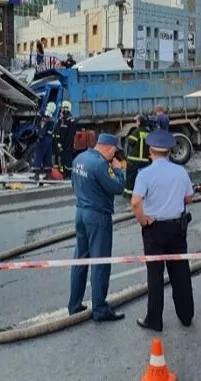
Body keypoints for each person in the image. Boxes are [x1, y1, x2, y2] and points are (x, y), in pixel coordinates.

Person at [131, 129, 195, 332]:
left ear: (150, 151)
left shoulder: (145, 174)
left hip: (154, 229)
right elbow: (188, 198)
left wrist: (143, 221)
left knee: (155, 275)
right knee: (181, 272)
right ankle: (186, 316)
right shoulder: (181, 172)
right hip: (177, 228)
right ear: (169, 151)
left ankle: (154, 320)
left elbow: (135, 202)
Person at [68, 133, 126, 322]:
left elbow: (73, 184)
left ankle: (74, 305)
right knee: (100, 263)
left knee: (80, 259)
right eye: (114, 153)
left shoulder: (80, 158)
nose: (114, 157)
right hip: (98, 216)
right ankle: (100, 309)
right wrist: (118, 170)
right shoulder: (101, 164)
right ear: (109, 148)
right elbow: (117, 188)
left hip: (81, 212)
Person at [124, 115, 151, 196]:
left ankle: (129, 193)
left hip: (134, 159)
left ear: (139, 122)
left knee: (130, 177)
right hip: (145, 160)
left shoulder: (136, 131)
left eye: (137, 121)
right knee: (143, 178)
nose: (136, 122)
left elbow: (131, 142)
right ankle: (143, 193)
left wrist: (129, 138)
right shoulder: (148, 132)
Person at [53, 101, 77, 178]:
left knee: (68, 158)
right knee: (63, 158)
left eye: (63, 107)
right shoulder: (62, 118)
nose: (62, 109)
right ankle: (64, 173)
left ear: (67, 108)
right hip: (63, 142)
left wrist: (68, 143)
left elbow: (71, 132)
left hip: (68, 142)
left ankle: (69, 174)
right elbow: (59, 129)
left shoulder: (70, 118)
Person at [32, 106, 56, 178]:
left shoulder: (45, 120)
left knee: (38, 155)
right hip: (49, 139)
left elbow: (43, 130)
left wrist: (39, 138)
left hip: (44, 140)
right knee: (47, 157)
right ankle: (48, 175)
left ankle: (36, 175)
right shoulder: (53, 119)